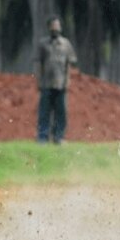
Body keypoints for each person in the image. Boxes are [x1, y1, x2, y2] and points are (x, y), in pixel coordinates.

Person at [34, 16, 78, 144]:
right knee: (44, 112)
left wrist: (67, 81)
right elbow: (38, 64)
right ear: (49, 28)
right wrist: (39, 81)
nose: (55, 28)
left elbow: (69, 64)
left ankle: (59, 137)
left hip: (60, 84)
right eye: (53, 26)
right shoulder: (43, 44)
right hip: (46, 83)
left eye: (57, 26)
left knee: (61, 113)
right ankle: (43, 137)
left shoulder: (66, 44)